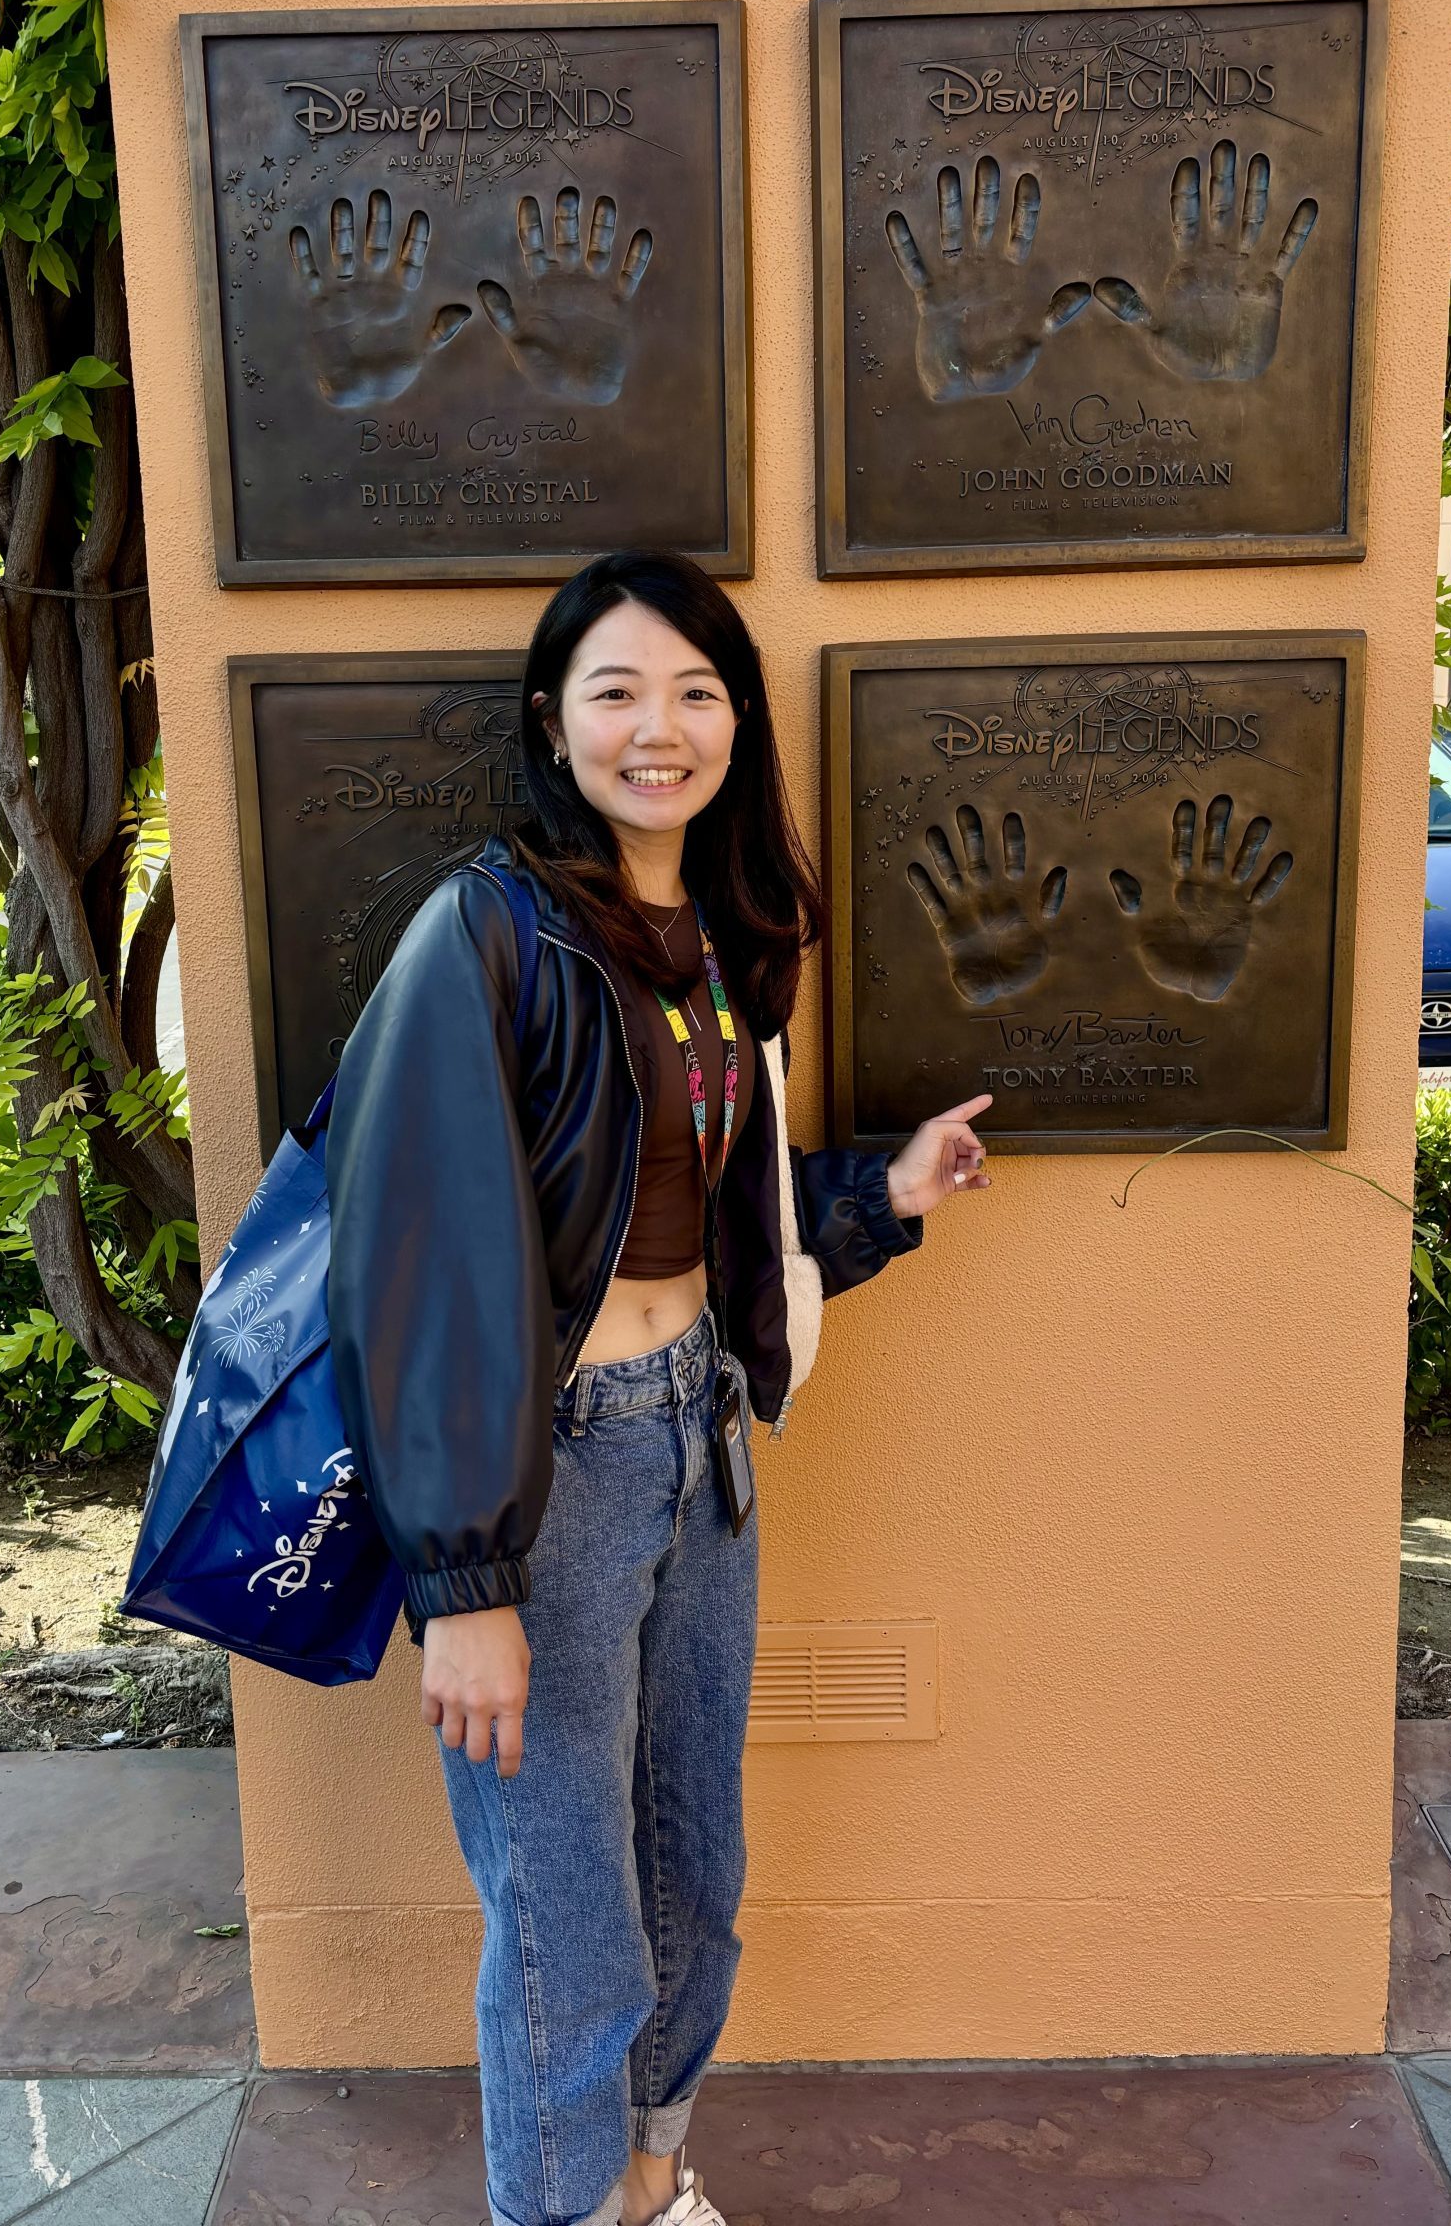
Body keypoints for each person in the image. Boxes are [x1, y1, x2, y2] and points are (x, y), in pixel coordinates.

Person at [325, 551, 991, 2226]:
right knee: (566, 1907)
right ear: (552, 723)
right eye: (618, 690)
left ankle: (642, 2179)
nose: (660, 727)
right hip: (545, 1478)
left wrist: (878, 1200)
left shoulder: (716, 937)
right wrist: (466, 1579)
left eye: (697, 692)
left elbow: (708, 1215)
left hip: (698, 1436)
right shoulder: (483, 933)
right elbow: (418, 1268)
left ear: (734, 725)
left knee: (696, 1870)